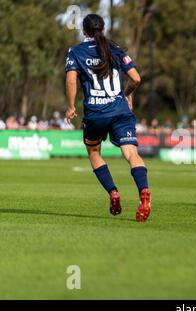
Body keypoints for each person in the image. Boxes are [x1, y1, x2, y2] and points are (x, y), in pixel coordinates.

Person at [64, 14, 150, 222]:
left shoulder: (76, 52)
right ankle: (144, 191)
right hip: (120, 111)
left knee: (94, 151)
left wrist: (70, 107)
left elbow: (71, 80)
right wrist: (127, 94)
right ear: (102, 29)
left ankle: (113, 192)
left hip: (95, 114)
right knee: (131, 153)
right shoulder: (116, 49)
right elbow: (136, 78)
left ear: (84, 31)